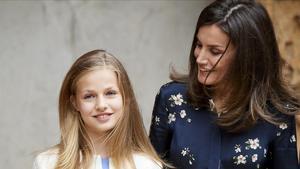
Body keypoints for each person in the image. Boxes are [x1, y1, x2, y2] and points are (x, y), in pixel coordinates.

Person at [149, 0, 300, 169]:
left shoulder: (277, 114)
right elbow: (150, 164)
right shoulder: (171, 99)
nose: (200, 59)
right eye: (199, 45)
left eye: (215, 51)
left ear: (247, 57)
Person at [33, 50, 164, 169]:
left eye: (110, 93)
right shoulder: (47, 164)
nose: (101, 105)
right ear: (75, 103)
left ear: (126, 97)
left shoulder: (148, 165)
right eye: (89, 96)